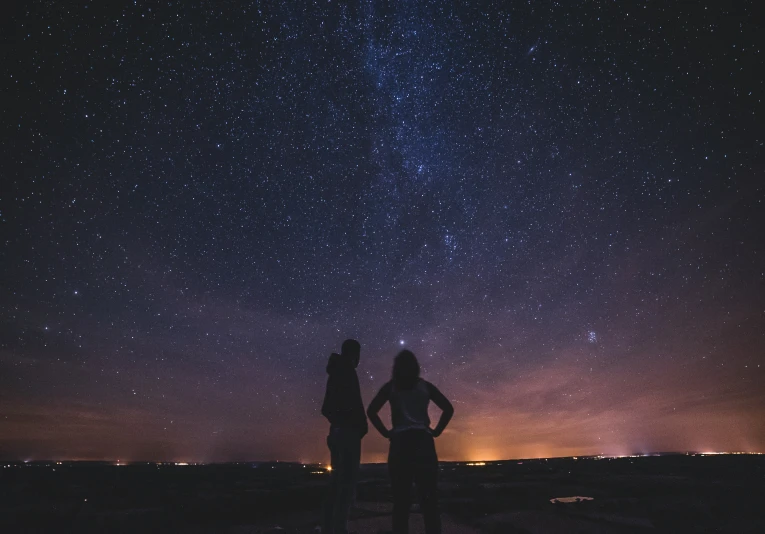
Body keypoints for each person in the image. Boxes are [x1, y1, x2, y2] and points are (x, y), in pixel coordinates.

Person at [367, 350, 454, 534]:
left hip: (400, 444)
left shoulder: (391, 387)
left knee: (401, 502)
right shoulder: (425, 386)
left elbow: (371, 411)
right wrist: (436, 431)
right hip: (423, 443)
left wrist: (386, 433)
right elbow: (448, 408)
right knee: (429, 500)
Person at [321, 339, 368, 534]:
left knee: (337, 483)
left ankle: (330, 527)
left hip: (340, 432)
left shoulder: (337, 372)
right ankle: (338, 528)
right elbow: (350, 406)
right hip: (347, 435)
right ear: (354, 354)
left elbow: (327, 408)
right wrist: (354, 425)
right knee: (345, 485)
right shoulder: (347, 372)